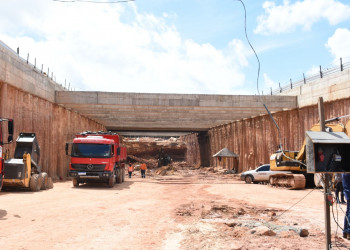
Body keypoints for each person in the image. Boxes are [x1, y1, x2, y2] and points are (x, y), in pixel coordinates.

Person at [342, 173, 350, 239]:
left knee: (348, 212)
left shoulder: (344, 172)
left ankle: (345, 231)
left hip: (347, 194)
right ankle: (349, 232)